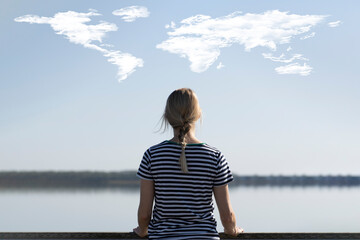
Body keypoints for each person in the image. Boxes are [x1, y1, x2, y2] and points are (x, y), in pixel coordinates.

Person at [133, 88, 243, 239]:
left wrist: (143, 230)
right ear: (198, 115)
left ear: (167, 116)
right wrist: (233, 230)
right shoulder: (215, 156)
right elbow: (227, 217)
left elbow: (145, 215)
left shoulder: (152, 155)